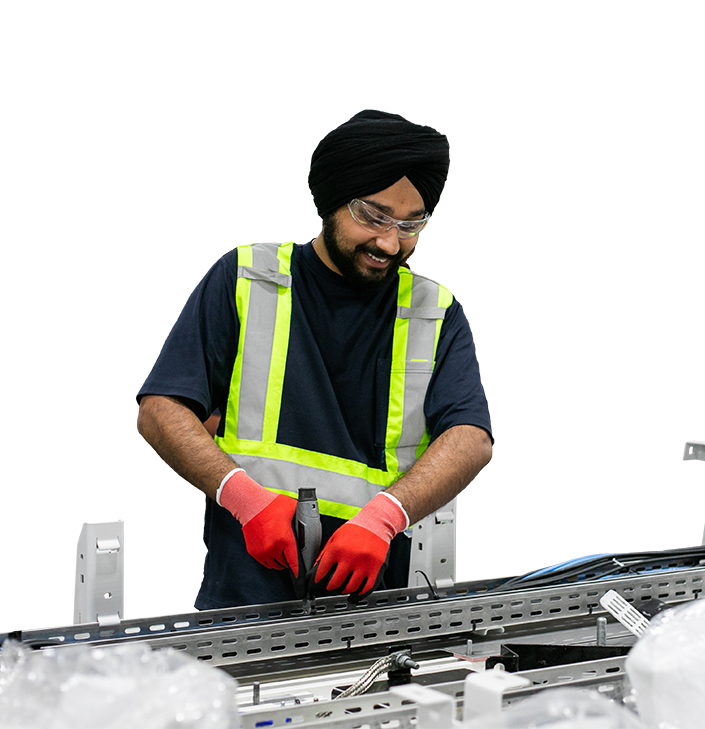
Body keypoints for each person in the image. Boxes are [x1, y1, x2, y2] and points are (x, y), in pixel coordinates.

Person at [137, 110, 494, 609]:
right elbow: (161, 410)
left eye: (411, 224)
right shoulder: (246, 280)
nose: (391, 243)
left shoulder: (435, 312)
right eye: (374, 216)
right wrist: (246, 501)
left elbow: (470, 439)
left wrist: (384, 516)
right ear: (331, 201)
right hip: (245, 594)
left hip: (373, 601)